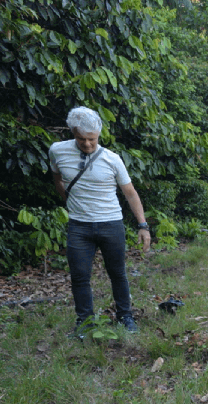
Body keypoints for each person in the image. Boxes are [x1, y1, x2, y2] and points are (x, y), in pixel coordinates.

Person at [49, 106, 151, 336]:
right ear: (73, 133)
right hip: (79, 225)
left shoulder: (112, 159)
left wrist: (143, 225)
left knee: (117, 273)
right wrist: (71, 202)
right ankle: (85, 323)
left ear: (99, 134)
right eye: (81, 139)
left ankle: (125, 316)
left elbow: (130, 193)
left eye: (92, 139)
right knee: (79, 276)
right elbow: (57, 179)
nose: (87, 144)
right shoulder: (57, 151)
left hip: (111, 224)